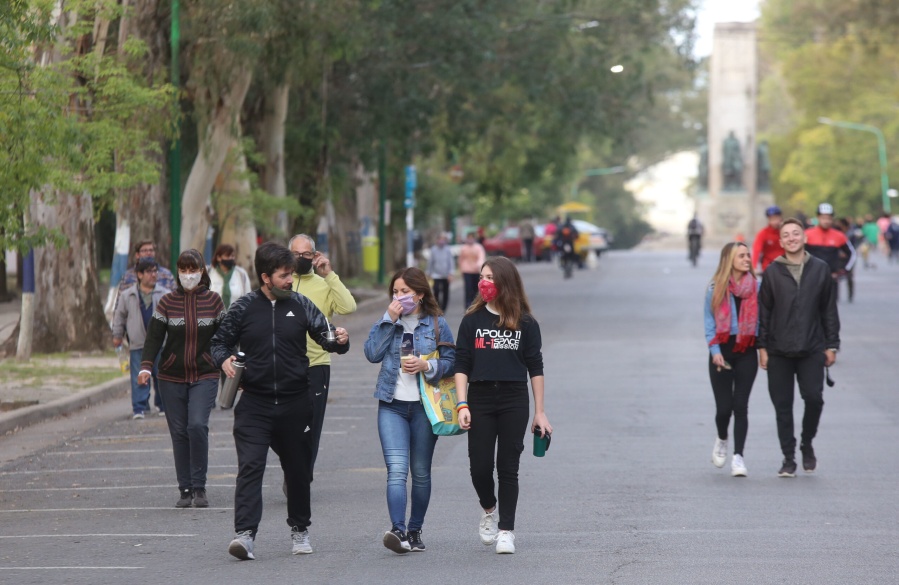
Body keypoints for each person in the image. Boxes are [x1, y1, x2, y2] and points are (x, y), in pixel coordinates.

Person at [211, 242, 349, 560]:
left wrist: (340, 340)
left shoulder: (301, 304)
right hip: (255, 405)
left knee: (298, 470)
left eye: (290, 274)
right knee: (250, 468)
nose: (290, 280)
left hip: (295, 402)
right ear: (265, 277)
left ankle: (300, 531)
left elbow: (326, 337)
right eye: (284, 275)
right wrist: (224, 361)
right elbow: (219, 342)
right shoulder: (244, 307)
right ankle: (245, 535)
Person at [454, 256, 550, 555]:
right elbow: (462, 364)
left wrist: (540, 412)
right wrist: (461, 403)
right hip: (480, 398)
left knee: (508, 467)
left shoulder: (526, 323)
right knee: (479, 467)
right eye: (482, 277)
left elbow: (536, 367)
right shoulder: (472, 321)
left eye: (491, 278)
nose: (484, 283)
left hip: (513, 398)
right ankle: (489, 508)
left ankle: (506, 530)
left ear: (506, 282)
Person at [363, 267, 456, 554]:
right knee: (396, 470)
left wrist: (428, 365)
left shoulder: (437, 323)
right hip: (391, 405)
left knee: (421, 472)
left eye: (405, 292)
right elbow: (372, 354)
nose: (399, 296)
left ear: (420, 293)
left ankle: (415, 529)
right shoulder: (389, 322)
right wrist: (388, 319)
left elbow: (453, 359)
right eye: (395, 292)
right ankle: (398, 530)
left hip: (425, 408)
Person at [138, 250, 225, 508]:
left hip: (205, 373)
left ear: (202, 271)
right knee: (179, 432)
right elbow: (153, 338)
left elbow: (226, 338)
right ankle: (185, 488)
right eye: (184, 270)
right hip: (171, 375)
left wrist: (230, 364)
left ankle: (199, 486)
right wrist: (145, 367)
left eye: (193, 270)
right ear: (177, 272)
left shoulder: (214, 302)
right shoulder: (166, 302)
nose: (188, 275)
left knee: (197, 426)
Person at [758, 219, 840, 478]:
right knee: (783, 407)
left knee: (814, 399)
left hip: (812, 347)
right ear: (780, 242)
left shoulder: (820, 269)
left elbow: (829, 309)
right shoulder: (772, 271)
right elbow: (764, 313)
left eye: (796, 233)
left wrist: (832, 345)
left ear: (804, 238)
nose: (792, 238)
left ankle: (807, 442)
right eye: (786, 235)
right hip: (779, 350)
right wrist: (762, 347)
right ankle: (788, 458)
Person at [289, 233, 357, 477]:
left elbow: (348, 307)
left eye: (306, 254)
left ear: (315, 256)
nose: (301, 258)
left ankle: (302, 476)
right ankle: (293, 469)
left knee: (312, 425)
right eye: (296, 254)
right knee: (287, 426)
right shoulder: (281, 284)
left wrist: (329, 274)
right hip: (285, 366)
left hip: (317, 365)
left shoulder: (323, 284)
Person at [703, 243, 759, 477]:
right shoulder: (715, 288)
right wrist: (714, 350)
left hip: (747, 350)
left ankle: (739, 457)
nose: (747, 259)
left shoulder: (757, 286)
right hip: (722, 352)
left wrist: (763, 349)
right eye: (742, 256)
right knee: (724, 408)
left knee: (741, 406)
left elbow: (762, 321)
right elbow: (709, 322)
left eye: (748, 255)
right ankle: (722, 438)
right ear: (730, 260)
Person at [112, 258, 168, 419]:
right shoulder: (127, 295)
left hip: (161, 343)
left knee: (161, 374)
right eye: (149, 272)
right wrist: (117, 335)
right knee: (139, 375)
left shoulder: (164, 294)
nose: (154, 275)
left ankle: (162, 404)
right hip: (137, 343)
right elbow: (119, 316)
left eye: (155, 271)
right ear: (139, 274)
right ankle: (139, 407)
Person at [805, 203, 856, 302]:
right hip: (812, 278)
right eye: (823, 218)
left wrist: (844, 270)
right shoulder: (807, 234)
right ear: (818, 217)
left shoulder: (839, 236)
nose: (826, 221)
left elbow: (852, 254)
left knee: (830, 310)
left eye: (829, 218)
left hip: (831, 278)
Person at [208, 243, 252, 311]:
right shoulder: (210, 273)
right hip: (213, 317)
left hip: (236, 317)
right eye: (227, 256)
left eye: (232, 256)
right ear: (219, 258)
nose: (230, 258)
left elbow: (248, 298)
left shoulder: (241, 274)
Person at [751, 206, 784, 272]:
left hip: (785, 265)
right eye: (772, 219)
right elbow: (756, 250)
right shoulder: (763, 233)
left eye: (776, 218)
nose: (774, 222)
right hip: (768, 266)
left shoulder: (785, 232)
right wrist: (753, 267)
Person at [426, 234, 454, 312]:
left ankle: (444, 308)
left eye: (443, 239)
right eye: (440, 239)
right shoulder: (433, 250)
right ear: (437, 240)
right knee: (436, 290)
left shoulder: (448, 250)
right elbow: (430, 262)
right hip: (436, 275)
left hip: (446, 275)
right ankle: (437, 306)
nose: (441, 241)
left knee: (445, 291)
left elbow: (451, 262)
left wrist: (451, 273)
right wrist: (429, 272)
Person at [458, 232, 486, 309]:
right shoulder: (464, 248)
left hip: (476, 271)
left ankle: (476, 305)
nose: (470, 239)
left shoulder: (478, 247)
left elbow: (481, 257)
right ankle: (468, 305)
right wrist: (461, 269)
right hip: (466, 270)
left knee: (476, 289)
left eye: (472, 238)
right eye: (469, 238)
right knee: (468, 288)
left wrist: (480, 265)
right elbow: (460, 259)